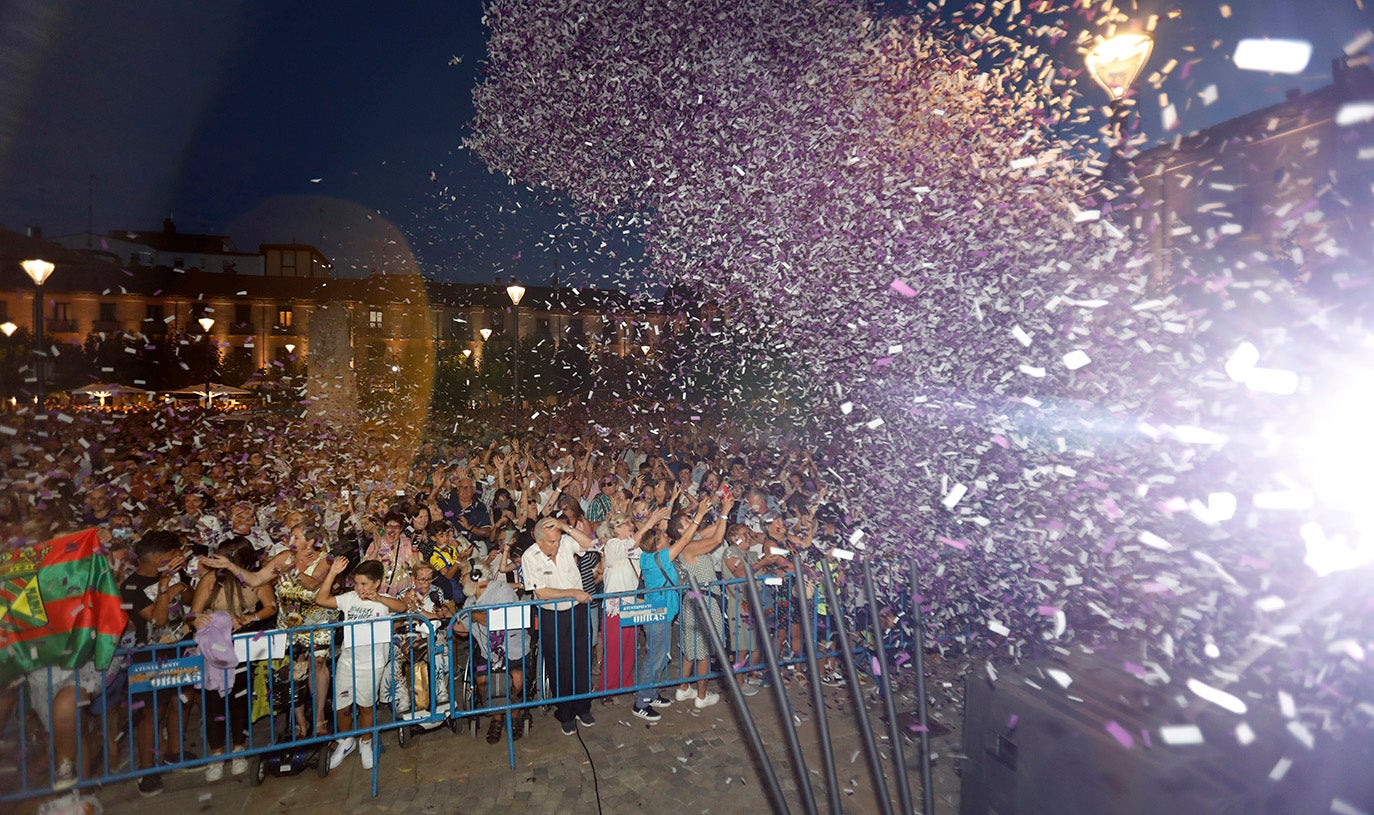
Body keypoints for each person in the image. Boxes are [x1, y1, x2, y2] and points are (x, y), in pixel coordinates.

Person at [189, 536, 276, 781]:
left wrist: (250, 618)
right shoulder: (210, 580)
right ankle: (216, 755)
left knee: (239, 698)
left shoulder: (255, 578)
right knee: (213, 700)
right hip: (214, 649)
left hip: (241, 646)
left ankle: (239, 749)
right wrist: (198, 619)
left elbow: (270, 607)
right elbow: (193, 613)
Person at [314, 558, 407, 770]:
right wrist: (332, 573)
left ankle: (366, 742)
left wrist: (380, 599)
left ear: (377, 583)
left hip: (372, 664)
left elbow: (402, 607)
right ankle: (346, 741)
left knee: (366, 707)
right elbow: (321, 599)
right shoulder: (349, 599)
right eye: (356, 583)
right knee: (343, 706)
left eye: (364, 584)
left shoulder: (384, 602)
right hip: (348, 661)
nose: (359, 588)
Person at [121, 530, 192, 797]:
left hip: (180, 649)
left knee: (182, 699)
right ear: (157, 558)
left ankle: (176, 752)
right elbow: (158, 619)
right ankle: (147, 769)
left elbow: (189, 599)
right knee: (152, 712)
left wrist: (180, 584)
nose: (178, 557)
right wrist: (165, 584)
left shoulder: (175, 573)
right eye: (173, 554)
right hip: (148, 656)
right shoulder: (131, 586)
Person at [520, 516, 597, 736]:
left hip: (577, 612)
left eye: (558, 540)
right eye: (552, 542)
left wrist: (565, 527)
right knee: (559, 665)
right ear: (539, 540)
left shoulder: (564, 542)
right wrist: (573, 592)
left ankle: (583, 707)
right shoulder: (530, 556)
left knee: (582, 658)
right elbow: (541, 592)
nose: (556, 545)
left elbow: (589, 543)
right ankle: (565, 713)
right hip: (552, 616)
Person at [671, 497, 732, 708]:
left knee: (691, 648)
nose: (692, 521)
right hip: (703, 601)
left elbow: (715, 529)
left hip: (694, 601)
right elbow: (716, 541)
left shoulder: (691, 539)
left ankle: (683, 688)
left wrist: (720, 508)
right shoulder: (688, 547)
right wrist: (724, 512)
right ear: (680, 530)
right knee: (703, 650)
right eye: (688, 521)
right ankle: (702, 696)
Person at [598, 508, 667, 693]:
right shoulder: (612, 545)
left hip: (632, 603)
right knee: (614, 650)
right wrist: (652, 519)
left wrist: (657, 519)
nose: (630, 525)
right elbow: (636, 540)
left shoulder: (635, 545)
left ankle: (625, 683)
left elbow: (651, 541)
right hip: (615, 606)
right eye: (626, 523)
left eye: (630, 522)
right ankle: (607, 689)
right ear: (616, 529)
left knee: (629, 649)